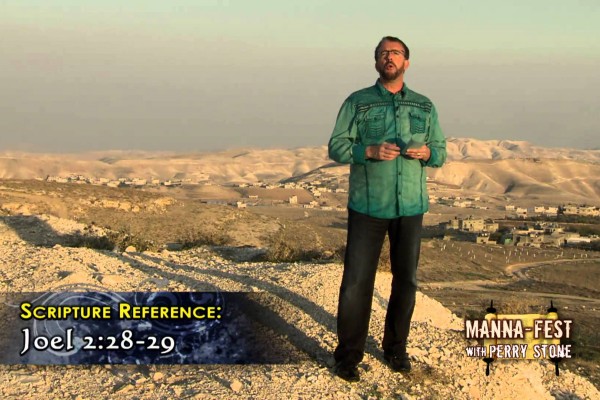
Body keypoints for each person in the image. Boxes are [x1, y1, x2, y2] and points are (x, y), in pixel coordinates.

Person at [328, 36, 447, 382]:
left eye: (395, 53)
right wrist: (368, 151)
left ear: (406, 62)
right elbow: (336, 146)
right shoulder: (358, 102)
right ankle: (348, 357)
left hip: (410, 206)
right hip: (368, 205)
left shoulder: (424, 106)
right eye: (383, 53)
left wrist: (428, 153)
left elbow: (440, 151)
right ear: (376, 62)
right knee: (356, 283)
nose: (389, 57)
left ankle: (395, 349)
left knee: (405, 281)